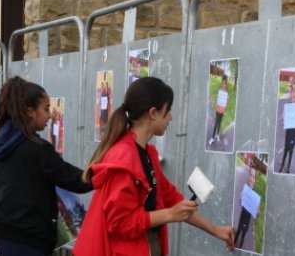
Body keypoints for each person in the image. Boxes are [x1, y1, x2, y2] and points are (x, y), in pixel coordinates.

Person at [74, 77, 235, 256]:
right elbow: (120, 223)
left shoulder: (147, 154)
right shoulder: (123, 159)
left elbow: (172, 199)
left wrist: (215, 230)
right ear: (152, 113)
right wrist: (169, 214)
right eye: (168, 111)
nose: (171, 117)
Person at [0, 76, 92, 256]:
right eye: (46, 108)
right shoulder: (38, 149)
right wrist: (106, 169)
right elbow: (76, 180)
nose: (49, 115)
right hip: (28, 243)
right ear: (30, 112)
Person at [279, 81, 295, 174]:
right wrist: (284, 115)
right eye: (292, 91)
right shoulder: (288, 106)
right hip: (288, 132)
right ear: (290, 93)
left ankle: (288, 166)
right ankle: (282, 164)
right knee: (286, 148)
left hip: (293, 133)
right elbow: (283, 116)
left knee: (291, 150)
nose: (294, 93)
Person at [234, 165, 256, 249]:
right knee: (238, 231)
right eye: (250, 175)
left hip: (247, 216)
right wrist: (241, 197)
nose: (251, 177)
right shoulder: (245, 189)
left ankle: (240, 247)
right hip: (243, 214)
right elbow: (240, 202)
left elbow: (254, 209)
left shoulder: (254, 193)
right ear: (248, 176)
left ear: (255, 180)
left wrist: (256, 208)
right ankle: (234, 245)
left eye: (253, 176)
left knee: (244, 234)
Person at [209, 75, 229, 145]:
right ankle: (212, 138)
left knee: (219, 123)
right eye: (223, 83)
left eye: (225, 83)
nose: (224, 85)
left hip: (222, 110)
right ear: (221, 84)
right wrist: (217, 107)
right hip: (218, 109)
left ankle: (217, 135)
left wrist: (225, 107)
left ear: (226, 85)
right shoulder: (219, 91)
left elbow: (226, 101)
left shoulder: (226, 93)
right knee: (216, 123)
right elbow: (218, 100)